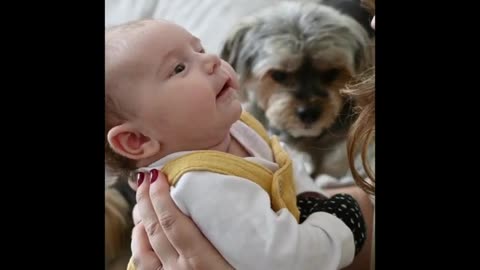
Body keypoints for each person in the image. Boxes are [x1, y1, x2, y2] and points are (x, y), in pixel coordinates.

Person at [128, 0, 377, 269]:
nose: (212, 59)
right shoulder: (200, 180)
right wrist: (339, 218)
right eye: (281, 76)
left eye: (200, 49)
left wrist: (322, 204)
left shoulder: (232, 127)